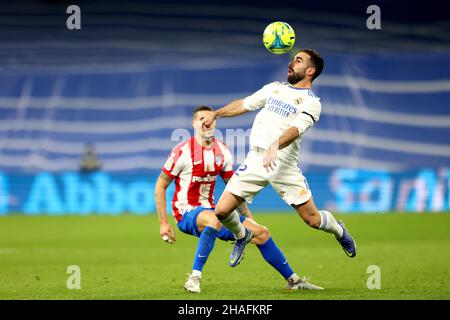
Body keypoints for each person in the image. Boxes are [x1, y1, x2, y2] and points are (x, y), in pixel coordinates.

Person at [201, 49, 357, 267]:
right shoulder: (274, 88)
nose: (292, 63)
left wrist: (276, 144)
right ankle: (242, 235)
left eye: (299, 60)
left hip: (283, 164)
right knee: (222, 211)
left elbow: (296, 128)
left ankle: (339, 230)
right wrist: (215, 114)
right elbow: (244, 104)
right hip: (256, 159)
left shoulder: (312, 103)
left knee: (312, 220)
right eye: (293, 59)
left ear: (310, 71)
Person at [154, 105, 322, 293]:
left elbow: (236, 191)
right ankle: (194, 278)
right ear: (194, 124)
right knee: (213, 219)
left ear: (215, 123)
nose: (206, 123)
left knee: (262, 233)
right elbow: (161, 186)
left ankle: (294, 280)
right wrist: (163, 223)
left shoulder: (223, 152)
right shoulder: (182, 151)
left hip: (211, 211)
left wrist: (249, 219)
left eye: (210, 119)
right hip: (186, 212)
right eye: (201, 119)